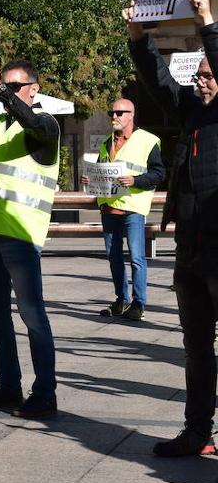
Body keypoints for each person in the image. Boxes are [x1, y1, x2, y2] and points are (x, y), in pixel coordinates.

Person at [126, 0, 218, 457]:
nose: (202, 81)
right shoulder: (194, 114)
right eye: (199, 74)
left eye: (209, 74)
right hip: (192, 250)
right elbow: (157, 79)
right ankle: (197, 432)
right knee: (196, 349)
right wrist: (138, 35)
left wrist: (205, 18)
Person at [0, 59, 60, 420]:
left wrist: (1, 91)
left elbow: (33, 123)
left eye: (13, 87)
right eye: (3, 86)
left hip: (20, 237)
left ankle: (45, 393)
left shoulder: (45, 124)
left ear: (33, 89)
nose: (4, 92)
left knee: (33, 315)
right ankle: (8, 387)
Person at [82, 98, 165, 321]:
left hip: (133, 208)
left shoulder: (148, 141)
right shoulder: (106, 142)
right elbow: (102, 172)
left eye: (120, 112)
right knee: (114, 258)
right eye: (112, 112)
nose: (115, 116)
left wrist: (135, 180)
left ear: (131, 115)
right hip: (109, 208)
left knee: (137, 257)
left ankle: (139, 303)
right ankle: (122, 299)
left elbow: (159, 174)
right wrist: (90, 179)